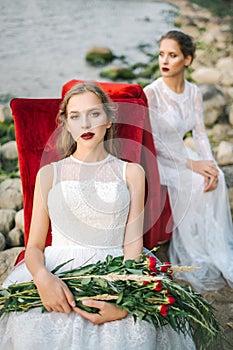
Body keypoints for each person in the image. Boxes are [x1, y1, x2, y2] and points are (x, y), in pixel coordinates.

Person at [0, 82, 195, 349]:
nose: (85, 124)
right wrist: (43, 279)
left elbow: (132, 246)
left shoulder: (132, 173)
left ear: (108, 119)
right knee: (32, 331)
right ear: (66, 124)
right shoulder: (49, 174)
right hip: (57, 268)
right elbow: (34, 246)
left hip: (116, 270)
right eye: (75, 116)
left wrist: (125, 300)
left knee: (131, 334)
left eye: (94, 114)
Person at [144, 30, 233, 293]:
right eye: (162, 54)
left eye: (172, 55)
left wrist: (209, 163)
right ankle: (195, 253)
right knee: (195, 182)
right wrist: (192, 165)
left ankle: (210, 244)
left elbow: (201, 133)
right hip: (162, 160)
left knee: (212, 178)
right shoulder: (152, 93)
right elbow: (156, 142)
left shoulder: (193, 91)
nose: (165, 61)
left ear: (188, 60)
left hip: (183, 154)